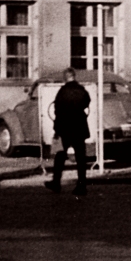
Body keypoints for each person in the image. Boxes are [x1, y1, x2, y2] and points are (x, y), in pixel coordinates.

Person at [45, 67, 91, 195]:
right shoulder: (82, 90)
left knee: (60, 156)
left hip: (65, 128)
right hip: (79, 128)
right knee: (81, 158)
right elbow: (87, 103)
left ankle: (56, 183)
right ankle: (81, 186)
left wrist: (56, 129)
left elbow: (57, 110)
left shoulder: (62, 91)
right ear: (74, 76)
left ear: (65, 78)